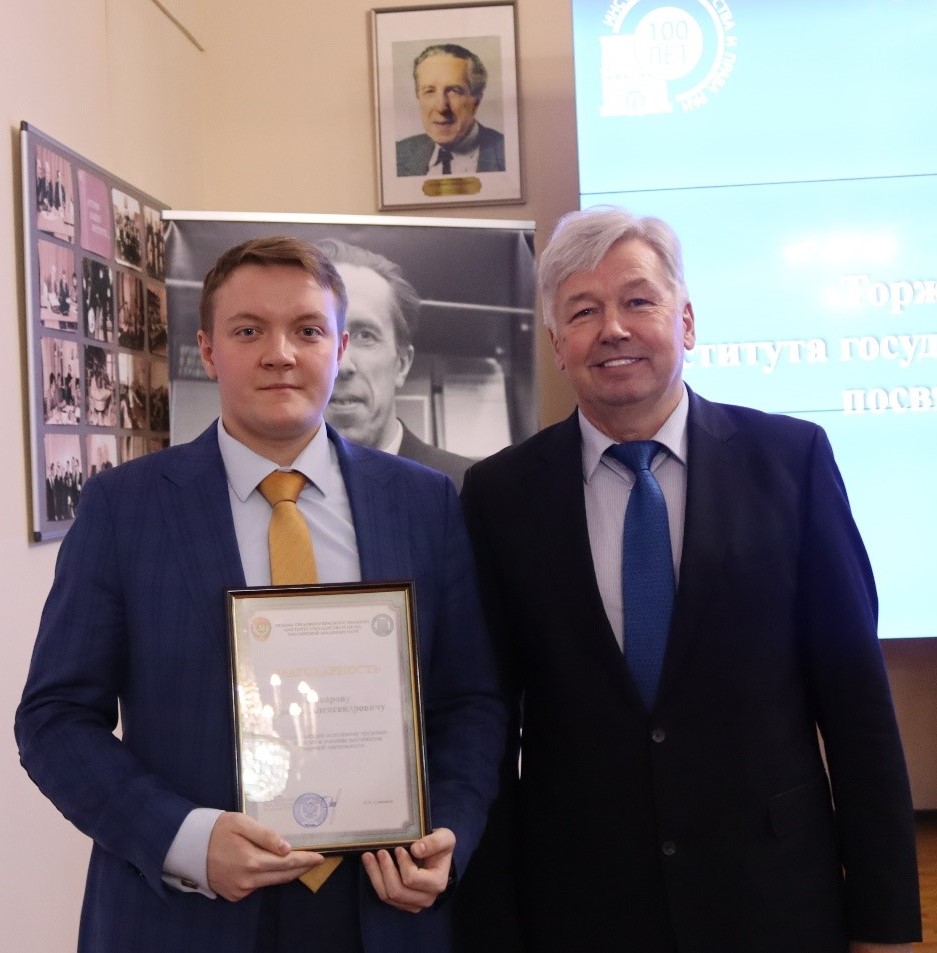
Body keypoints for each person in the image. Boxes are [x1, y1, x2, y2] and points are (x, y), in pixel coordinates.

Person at [16, 236, 505, 953]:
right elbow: (54, 718)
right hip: (187, 916)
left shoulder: (424, 502)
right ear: (209, 350)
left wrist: (451, 832)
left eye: (307, 330)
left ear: (339, 347)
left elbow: (471, 702)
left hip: (382, 911)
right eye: (249, 331)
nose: (280, 353)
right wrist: (184, 838)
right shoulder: (125, 507)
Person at [458, 207, 922, 953]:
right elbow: (487, 717)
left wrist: (886, 924)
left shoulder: (791, 461)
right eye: (583, 311)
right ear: (557, 344)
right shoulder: (499, 495)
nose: (612, 328)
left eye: (637, 301)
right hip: (581, 908)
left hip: (770, 897)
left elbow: (856, 703)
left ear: (687, 321)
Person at [320, 238, 472, 490]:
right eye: (320, 333)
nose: (343, 365)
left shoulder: (468, 492)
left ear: (402, 363)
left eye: (365, 335)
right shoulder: (273, 491)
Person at [396, 43, 505, 178]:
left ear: (476, 101)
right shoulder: (398, 154)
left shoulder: (508, 153)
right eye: (429, 91)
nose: (441, 107)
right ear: (418, 97)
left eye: (454, 91)